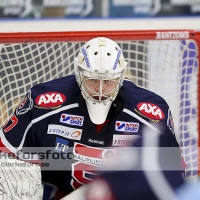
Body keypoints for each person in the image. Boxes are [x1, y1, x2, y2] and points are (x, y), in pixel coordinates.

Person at [0, 37, 181, 200]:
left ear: (121, 76)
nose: (100, 89)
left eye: (108, 80)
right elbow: (6, 155)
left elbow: (171, 174)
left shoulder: (151, 112)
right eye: (92, 79)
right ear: (79, 74)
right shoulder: (44, 102)